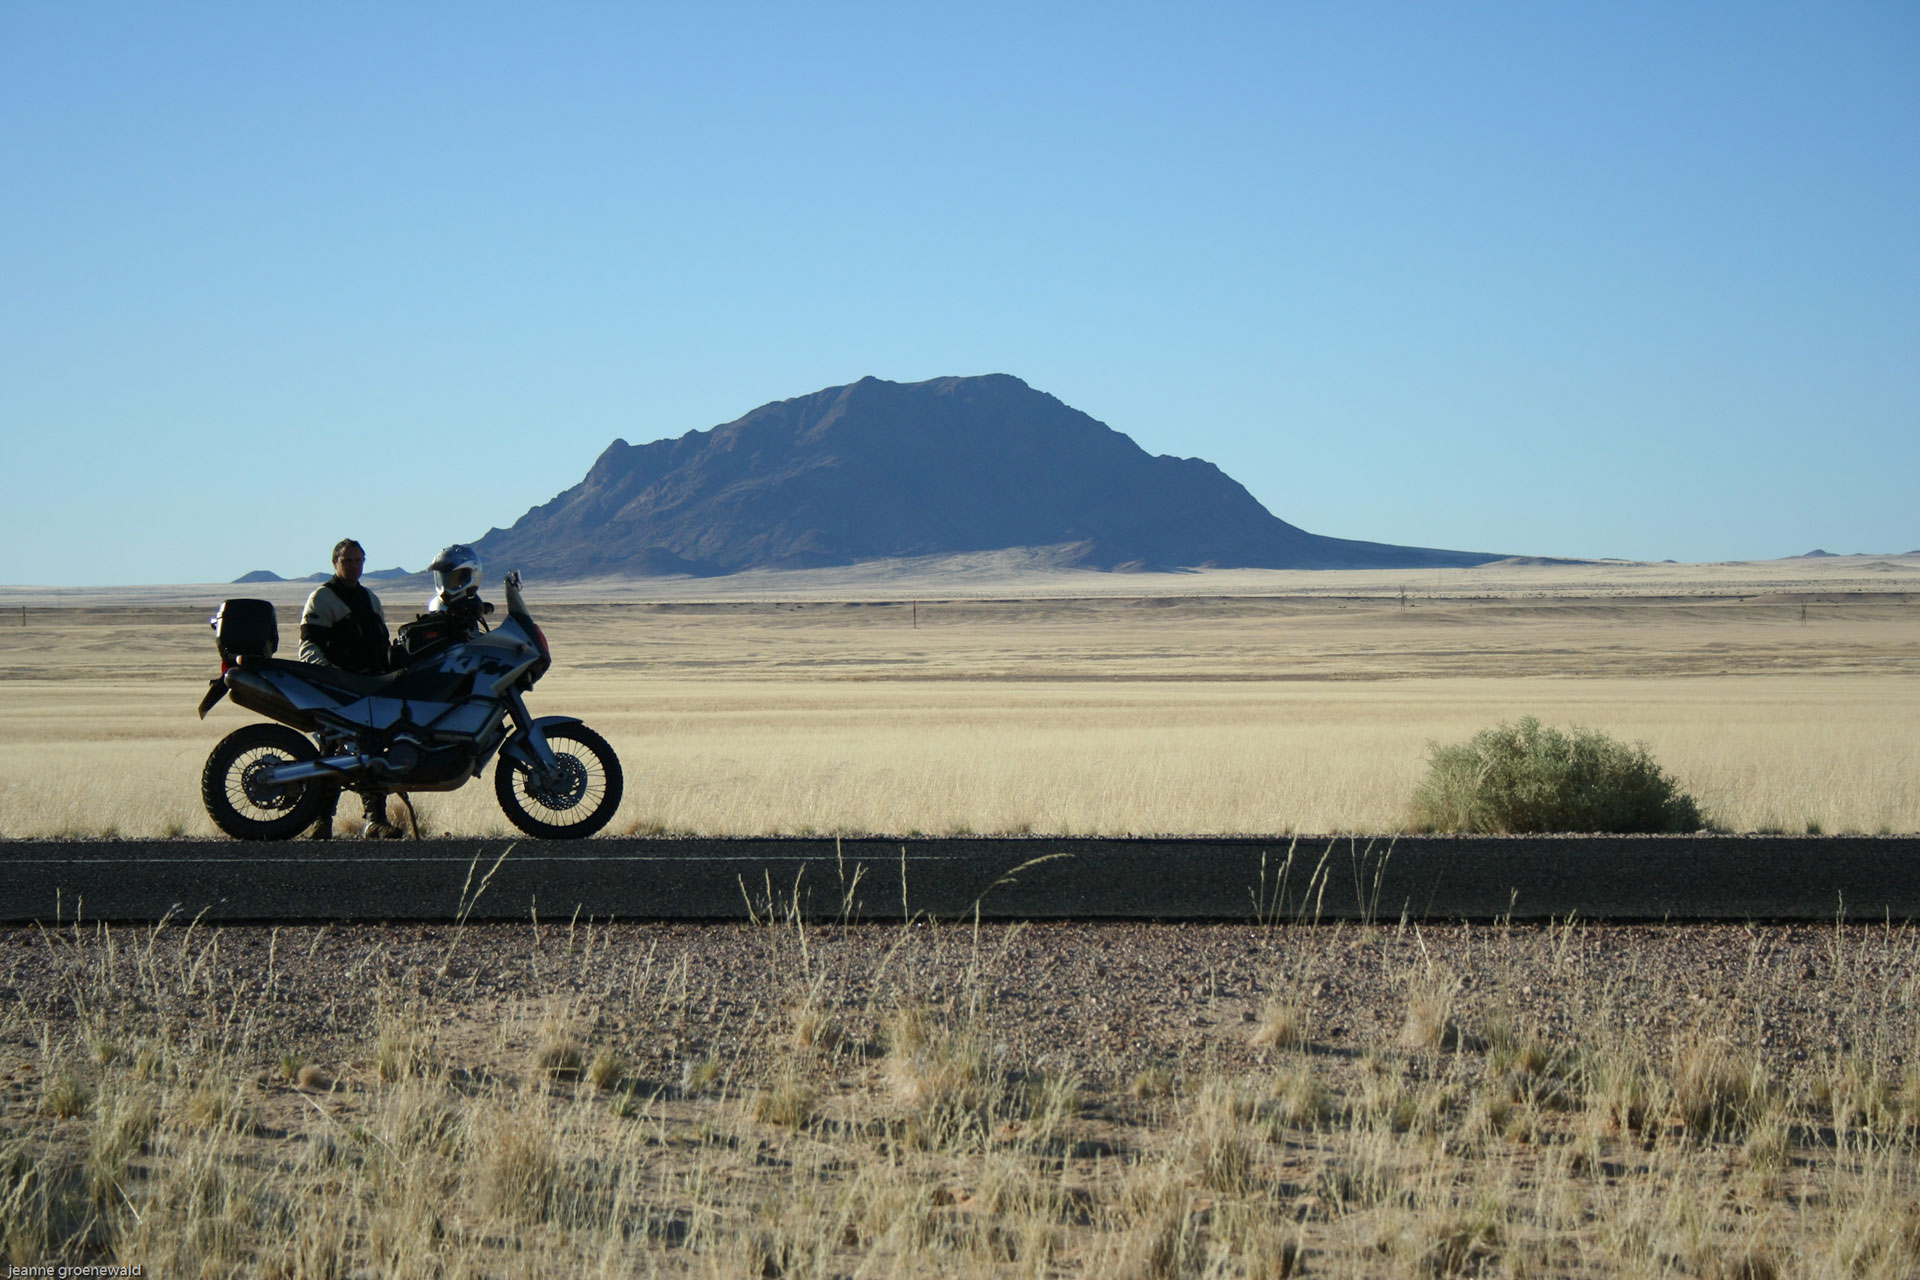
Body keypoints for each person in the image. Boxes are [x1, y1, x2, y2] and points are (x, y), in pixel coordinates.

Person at [299, 538, 402, 839]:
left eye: (359, 561)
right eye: (348, 561)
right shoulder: (323, 598)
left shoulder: (370, 598)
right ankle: (321, 821)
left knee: (373, 750)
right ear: (336, 563)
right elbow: (309, 644)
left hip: (372, 687)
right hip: (338, 689)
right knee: (332, 752)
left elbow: (382, 644)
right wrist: (330, 678)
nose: (354, 566)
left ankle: (375, 820)